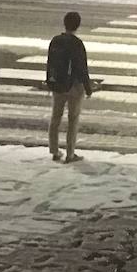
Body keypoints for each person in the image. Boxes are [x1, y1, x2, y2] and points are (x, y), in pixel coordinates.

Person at [45, 11, 94, 163]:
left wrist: (49, 82)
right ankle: (70, 154)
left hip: (58, 84)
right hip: (74, 86)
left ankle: (54, 150)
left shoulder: (55, 40)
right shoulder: (77, 43)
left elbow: (50, 63)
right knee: (73, 119)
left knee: (55, 117)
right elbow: (82, 68)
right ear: (77, 25)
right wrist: (88, 87)